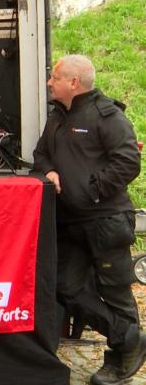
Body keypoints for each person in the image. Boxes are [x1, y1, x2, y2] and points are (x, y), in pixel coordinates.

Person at [33, 54, 143, 385]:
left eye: (55, 77)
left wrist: (92, 191)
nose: (49, 82)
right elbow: (41, 154)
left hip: (106, 221)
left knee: (116, 292)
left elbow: (128, 162)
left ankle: (121, 360)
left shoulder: (107, 115)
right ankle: (131, 339)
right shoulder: (57, 116)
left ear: (73, 82)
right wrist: (49, 171)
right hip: (70, 223)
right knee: (65, 287)